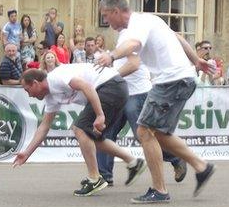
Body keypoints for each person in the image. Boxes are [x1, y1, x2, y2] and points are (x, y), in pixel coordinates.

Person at [97, 0, 215, 203]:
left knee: (144, 131)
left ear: (116, 11)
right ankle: (201, 166)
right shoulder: (150, 19)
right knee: (159, 133)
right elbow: (178, 38)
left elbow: (132, 45)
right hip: (180, 78)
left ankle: (160, 190)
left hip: (171, 80)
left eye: (106, 16)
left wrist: (112, 56)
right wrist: (196, 60)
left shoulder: (136, 25)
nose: (106, 21)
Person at [14, 65, 144, 196]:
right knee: (91, 137)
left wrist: (100, 115)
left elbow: (86, 87)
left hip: (110, 86)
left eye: (27, 90)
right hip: (114, 88)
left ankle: (95, 179)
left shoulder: (57, 78)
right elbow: (44, 127)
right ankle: (133, 162)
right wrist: (27, 153)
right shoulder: (51, 97)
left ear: (35, 83)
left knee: (79, 129)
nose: (29, 95)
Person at [96, 33, 188, 187]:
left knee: (144, 137)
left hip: (138, 94)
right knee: (104, 133)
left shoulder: (133, 45)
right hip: (120, 95)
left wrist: (112, 76)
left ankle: (176, 158)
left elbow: (134, 64)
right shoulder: (119, 47)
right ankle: (103, 176)